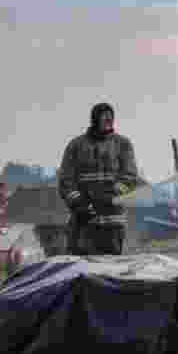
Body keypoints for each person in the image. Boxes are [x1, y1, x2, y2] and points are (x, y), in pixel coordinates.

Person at [58, 102, 140, 255]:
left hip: (113, 224)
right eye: (105, 118)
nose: (109, 121)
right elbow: (65, 181)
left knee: (110, 270)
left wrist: (111, 195)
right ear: (95, 119)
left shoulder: (122, 144)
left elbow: (130, 177)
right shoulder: (76, 146)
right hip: (84, 222)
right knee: (81, 270)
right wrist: (78, 204)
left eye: (111, 118)